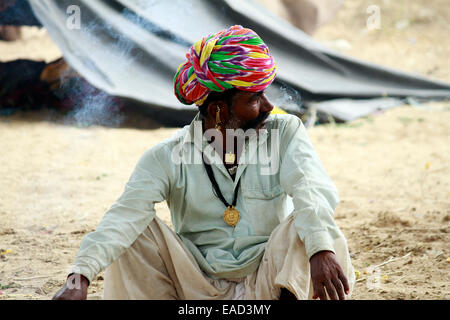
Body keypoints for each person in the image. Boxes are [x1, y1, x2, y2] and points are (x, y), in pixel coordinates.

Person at [53, 25, 355, 300]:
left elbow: (311, 189)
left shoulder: (285, 132)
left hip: (269, 283)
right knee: (134, 232)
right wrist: (79, 277)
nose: (268, 106)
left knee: (315, 226)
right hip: (196, 289)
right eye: (254, 99)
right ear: (220, 111)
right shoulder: (167, 155)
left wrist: (320, 250)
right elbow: (122, 216)